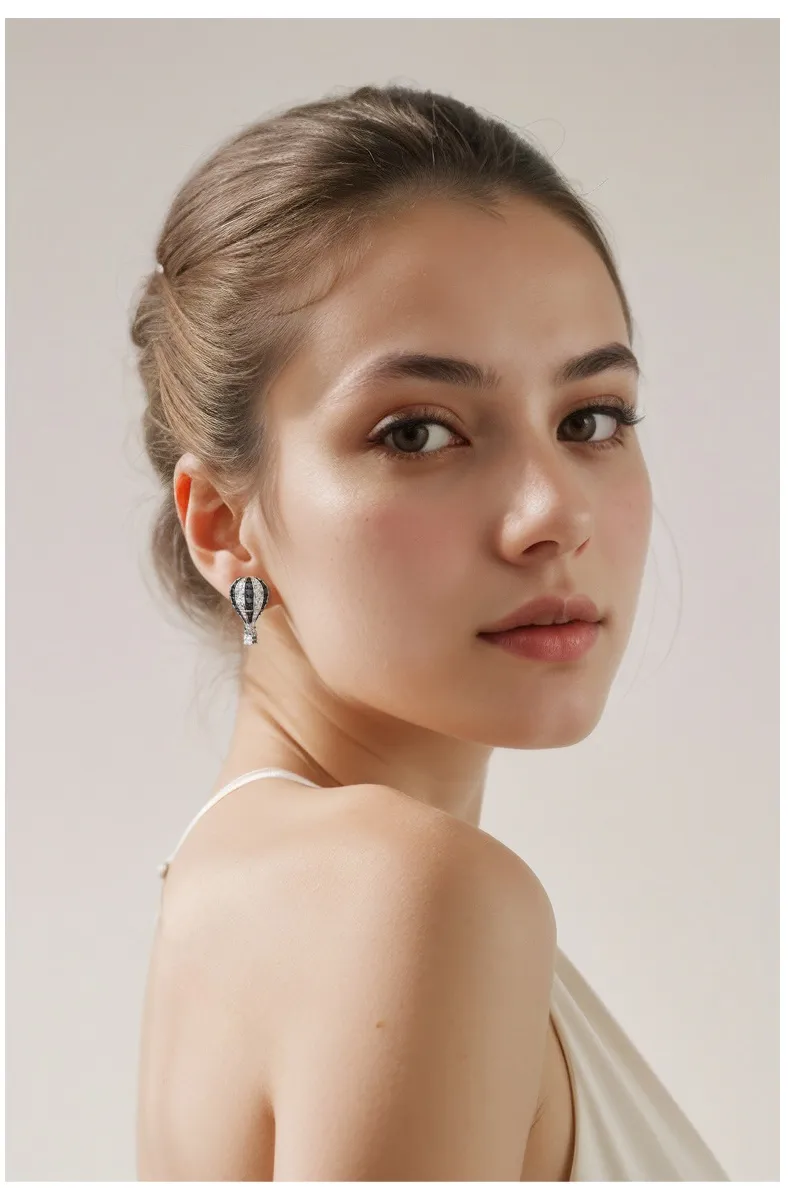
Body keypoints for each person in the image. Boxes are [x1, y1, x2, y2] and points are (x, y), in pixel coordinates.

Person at [132, 84, 728, 1181]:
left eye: (591, 417)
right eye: (417, 432)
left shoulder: (246, 883)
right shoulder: (409, 899)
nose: (554, 513)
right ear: (220, 523)